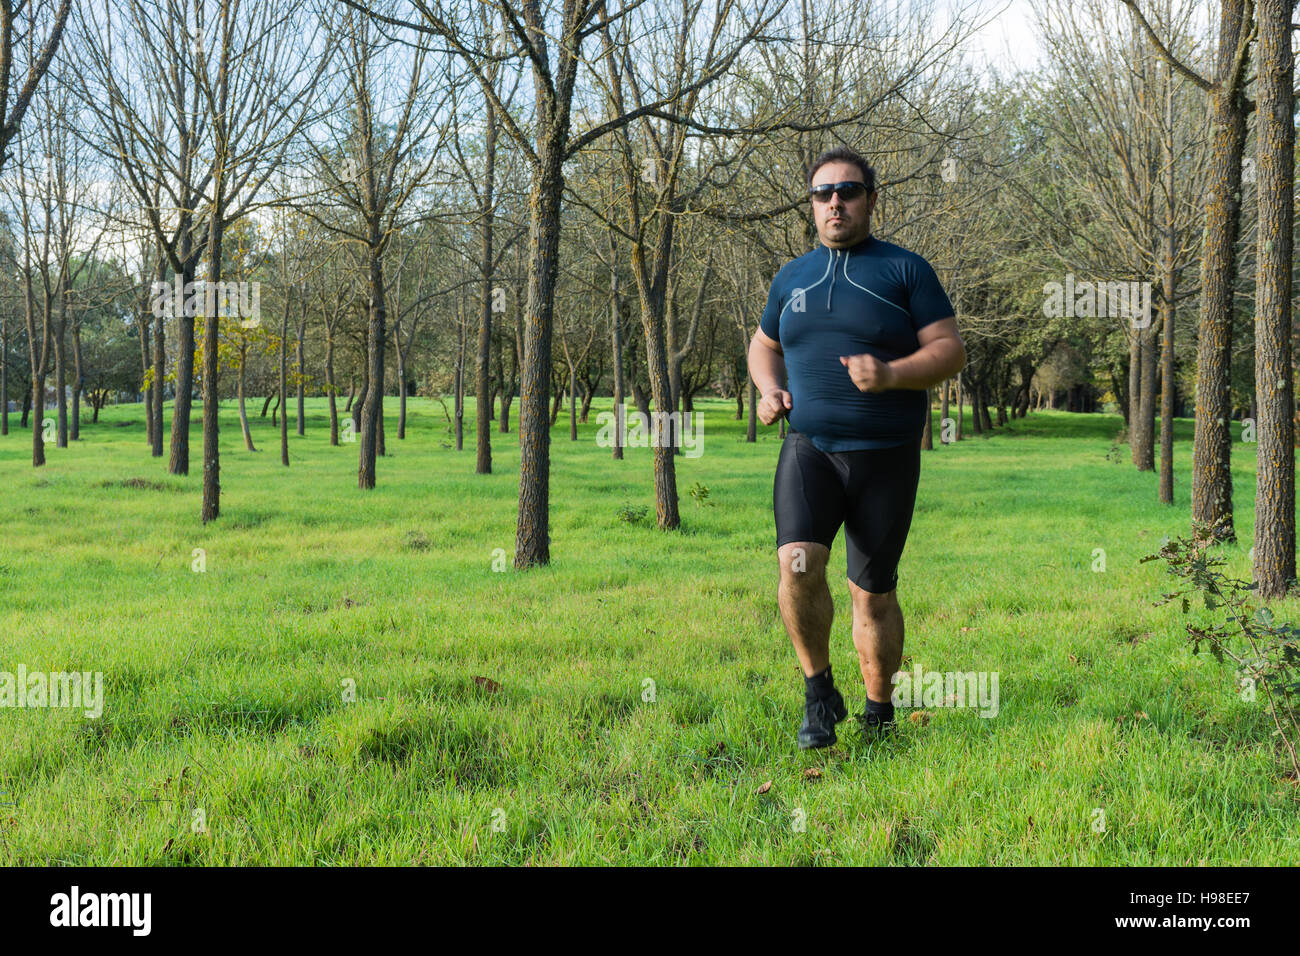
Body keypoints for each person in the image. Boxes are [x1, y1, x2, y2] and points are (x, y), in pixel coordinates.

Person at [746, 145, 966, 749]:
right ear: (812, 206)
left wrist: (893, 374)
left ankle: (879, 710)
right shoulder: (790, 276)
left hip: (885, 456)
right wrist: (770, 389)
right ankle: (819, 695)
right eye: (822, 194)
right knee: (797, 567)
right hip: (809, 449)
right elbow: (763, 345)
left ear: (871, 199)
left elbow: (950, 349)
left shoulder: (905, 271)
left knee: (872, 594)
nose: (834, 202)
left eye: (847, 191)